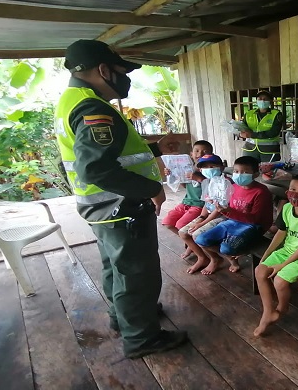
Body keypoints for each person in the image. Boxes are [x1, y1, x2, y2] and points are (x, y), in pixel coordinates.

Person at [55, 39, 187, 359]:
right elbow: (96, 169)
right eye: (121, 71)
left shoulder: (71, 100)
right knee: (136, 273)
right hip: (120, 206)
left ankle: (125, 318)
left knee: (117, 267)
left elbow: (87, 158)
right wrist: (151, 189)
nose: (125, 78)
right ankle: (142, 338)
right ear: (103, 70)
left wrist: (156, 149)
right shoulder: (92, 107)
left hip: (101, 208)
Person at [253, 173, 298, 337]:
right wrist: (267, 254)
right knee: (260, 270)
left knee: (279, 281)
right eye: (293, 189)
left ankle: (282, 307)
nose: (296, 194)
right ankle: (268, 312)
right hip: (286, 251)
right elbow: (281, 232)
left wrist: (282, 265)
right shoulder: (287, 208)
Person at [195, 156, 273, 274]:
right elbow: (229, 207)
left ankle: (233, 253)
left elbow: (255, 219)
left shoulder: (261, 192)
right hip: (232, 221)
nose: (239, 175)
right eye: (236, 171)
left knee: (226, 248)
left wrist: (229, 211)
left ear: (255, 174)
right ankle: (231, 257)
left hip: (252, 226)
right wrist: (218, 205)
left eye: (245, 172)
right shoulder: (234, 187)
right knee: (201, 239)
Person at [177, 154, 228, 274]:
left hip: (223, 216)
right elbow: (206, 204)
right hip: (208, 215)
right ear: (200, 170)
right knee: (183, 233)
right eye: (205, 167)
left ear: (221, 167)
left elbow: (220, 209)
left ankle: (215, 259)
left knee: (196, 234)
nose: (209, 169)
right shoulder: (206, 182)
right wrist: (201, 218)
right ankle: (202, 257)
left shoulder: (225, 183)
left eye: (213, 166)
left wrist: (202, 223)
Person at [160, 140, 212, 233]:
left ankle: (190, 243)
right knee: (167, 222)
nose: (200, 154)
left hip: (200, 205)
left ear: (211, 154)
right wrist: (173, 174)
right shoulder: (187, 168)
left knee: (180, 224)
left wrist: (198, 179)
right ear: (191, 154)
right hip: (186, 202)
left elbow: (212, 189)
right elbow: (185, 186)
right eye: (197, 151)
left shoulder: (210, 170)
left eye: (205, 152)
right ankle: (189, 242)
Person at [239, 91, 284, 162]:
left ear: (270, 101)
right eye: (260, 98)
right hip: (250, 149)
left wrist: (252, 134)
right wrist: (240, 133)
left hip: (269, 150)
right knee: (248, 169)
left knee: (269, 171)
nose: (262, 100)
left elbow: (274, 132)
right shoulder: (249, 113)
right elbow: (242, 127)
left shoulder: (276, 114)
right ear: (256, 100)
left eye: (265, 99)